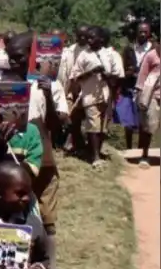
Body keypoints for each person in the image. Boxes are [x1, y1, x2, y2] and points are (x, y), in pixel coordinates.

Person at [5, 32, 68, 269]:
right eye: (11, 57)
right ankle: (13, 267)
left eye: (19, 58)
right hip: (11, 161)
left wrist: (48, 95)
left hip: (43, 160)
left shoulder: (49, 85)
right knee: (13, 213)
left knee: (48, 218)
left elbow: (57, 126)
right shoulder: (2, 83)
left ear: (33, 57)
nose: (14, 62)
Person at [70, 26, 110, 168]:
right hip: (89, 95)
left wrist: (106, 75)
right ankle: (95, 158)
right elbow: (75, 76)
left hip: (106, 96)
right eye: (88, 38)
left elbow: (116, 75)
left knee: (102, 128)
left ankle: (94, 152)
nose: (89, 40)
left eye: (92, 38)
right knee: (93, 125)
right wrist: (91, 72)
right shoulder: (83, 55)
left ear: (100, 39)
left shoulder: (108, 54)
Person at [118, 22, 154, 150]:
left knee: (144, 121)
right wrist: (129, 73)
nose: (143, 34)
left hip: (147, 90)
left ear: (149, 33)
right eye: (140, 32)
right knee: (128, 121)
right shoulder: (128, 49)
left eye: (145, 32)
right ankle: (129, 148)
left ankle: (141, 150)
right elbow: (121, 68)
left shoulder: (154, 50)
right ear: (136, 33)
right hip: (129, 88)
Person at [60, 25, 90, 153]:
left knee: (80, 117)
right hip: (71, 88)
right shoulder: (70, 51)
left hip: (86, 89)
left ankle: (75, 143)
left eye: (85, 36)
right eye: (79, 35)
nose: (82, 38)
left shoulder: (91, 51)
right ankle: (73, 142)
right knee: (69, 115)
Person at [136, 42, 161, 169]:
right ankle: (144, 155)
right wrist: (140, 96)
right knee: (148, 126)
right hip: (152, 95)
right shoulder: (151, 56)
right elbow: (143, 75)